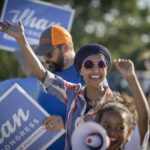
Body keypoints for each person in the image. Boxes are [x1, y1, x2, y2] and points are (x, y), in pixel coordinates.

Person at [0, 20, 149, 150]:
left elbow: (142, 123)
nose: (95, 70)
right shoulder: (72, 93)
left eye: (102, 65)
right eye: (89, 65)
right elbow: (42, 74)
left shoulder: (115, 104)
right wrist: (21, 40)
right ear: (81, 70)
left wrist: (131, 77)